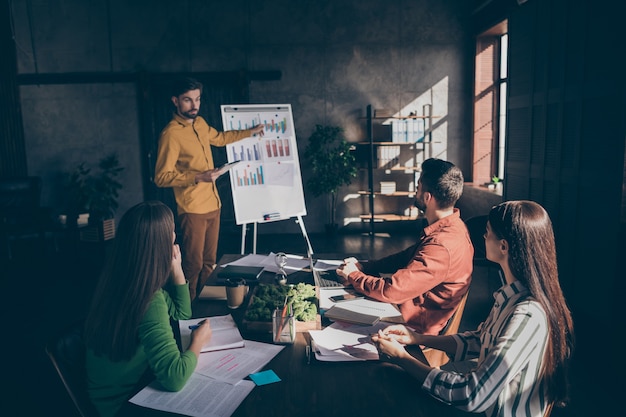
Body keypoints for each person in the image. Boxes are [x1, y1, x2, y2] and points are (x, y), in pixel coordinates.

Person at [372, 200, 575, 417]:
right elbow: (479, 341)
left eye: (488, 232)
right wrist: (416, 339)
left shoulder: (527, 314)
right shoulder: (510, 297)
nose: (484, 237)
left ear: (504, 246)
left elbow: (472, 394)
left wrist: (402, 358)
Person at [84, 201, 213, 417]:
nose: (175, 236)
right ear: (160, 244)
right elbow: (175, 378)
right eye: (171, 231)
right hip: (123, 406)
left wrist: (176, 267)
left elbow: (181, 315)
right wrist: (198, 341)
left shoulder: (121, 280)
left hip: (109, 398)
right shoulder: (149, 300)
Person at [154, 77, 264, 300]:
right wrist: (198, 176)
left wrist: (251, 131)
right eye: (187, 100)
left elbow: (221, 138)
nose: (194, 105)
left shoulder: (201, 123)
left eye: (197, 99)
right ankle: (187, 311)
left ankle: (206, 306)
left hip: (213, 204)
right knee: (193, 266)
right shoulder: (171, 134)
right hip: (192, 208)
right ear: (175, 101)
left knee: (210, 263)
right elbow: (161, 177)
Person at [336, 158, 473, 335]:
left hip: (411, 330)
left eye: (417, 188)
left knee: (335, 318)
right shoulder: (452, 227)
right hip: (404, 314)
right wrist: (364, 266)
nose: (415, 192)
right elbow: (405, 257)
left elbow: (392, 290)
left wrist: (354, 276)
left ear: (427, 197)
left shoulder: (442, 245)